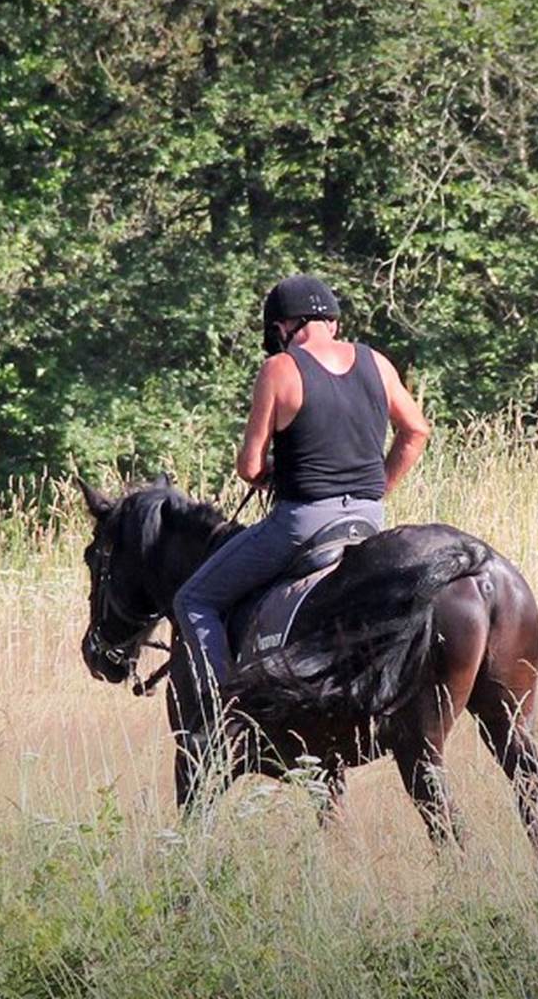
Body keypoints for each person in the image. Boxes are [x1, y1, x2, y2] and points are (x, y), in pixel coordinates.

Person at [172, 274, 431, 752]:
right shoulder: (376, 362)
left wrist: (273, 470)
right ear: (332, 321)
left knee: (193, 599)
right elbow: (416, 432)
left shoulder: (280, 369)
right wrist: (377, 487)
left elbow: (249, 466)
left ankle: (224, 711)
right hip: (369, 522)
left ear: (286, 326)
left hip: (305, 524)